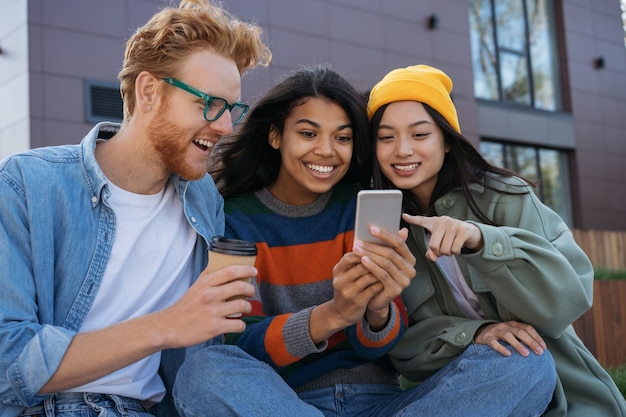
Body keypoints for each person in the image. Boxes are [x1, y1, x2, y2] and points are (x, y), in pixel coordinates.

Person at [0, 1, 271, 416]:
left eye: (232, 109)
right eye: (210, 103)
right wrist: (166, 325)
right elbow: (9, 360)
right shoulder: (27, 184)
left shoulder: (204, 201)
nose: (225, 127)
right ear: (148, 92)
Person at [367, 64, 626, 416]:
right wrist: (476, 332)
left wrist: (481, 241)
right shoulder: (385, 227)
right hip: (470, 397)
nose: (402, 150)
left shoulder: (505, 197)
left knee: (524, 361)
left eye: (419, 134)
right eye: (386, 137)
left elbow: (567, 300)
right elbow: (406, 355)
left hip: (567, 399)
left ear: (446, 141)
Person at [172, 66, 426, 417]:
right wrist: (333, 314)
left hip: (383, 402)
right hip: (284, 404)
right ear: (275, 136)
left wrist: (380, 310)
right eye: (308, 133)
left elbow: (381, 348)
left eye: (342, 138)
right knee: (203, 371)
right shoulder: (235, 219)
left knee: (523, 363)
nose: (326, 151)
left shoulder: (363, 206)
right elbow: (238, 342)